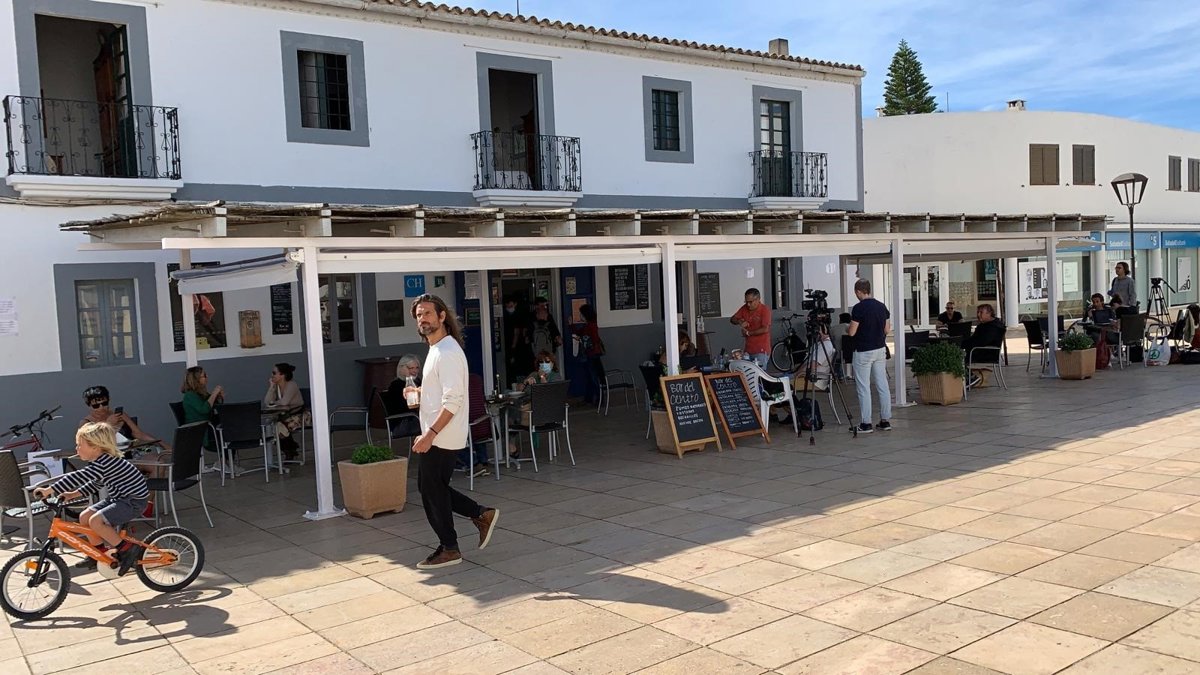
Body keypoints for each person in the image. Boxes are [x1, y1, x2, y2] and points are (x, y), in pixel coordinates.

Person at [405, 294, 499, 570]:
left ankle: (450, 547)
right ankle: (480, 515)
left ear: (442, 316)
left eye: (427, 313)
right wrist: (419, 392)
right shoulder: (437, 349)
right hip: (439, 434)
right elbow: (442, 391)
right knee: (432, 488)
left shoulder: (447, 352)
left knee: (431, 490)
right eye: (419, 315)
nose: (423, 319)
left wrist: (430, 434)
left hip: (442, 435)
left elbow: (453, 401)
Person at [32, 422, 148, 576]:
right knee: (85, 516)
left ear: (96, 447)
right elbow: (96, 483)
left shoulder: (106, 462)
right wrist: (73, 494)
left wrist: (49, 490)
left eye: (80, 445)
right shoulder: (102, 462)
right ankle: (97, 553)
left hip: (132, 501)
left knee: (96, 521)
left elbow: (77, 476)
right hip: (119, 498)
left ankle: (127, 549)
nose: (76, 448)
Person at [847, 279, 891, 433]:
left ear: (859, 291)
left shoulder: (858, 308)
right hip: (880, 349)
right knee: (882, 385)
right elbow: (887, 329)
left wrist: (847, 328)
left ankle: (866, 423)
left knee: (863, 387)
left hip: (863, 350)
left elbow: (852, 332)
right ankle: (885, 420)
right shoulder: (881, 306)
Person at [79, 385, 155, 443]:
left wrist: (159, 442)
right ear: (89, 405)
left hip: (126, 452)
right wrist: (108, 424)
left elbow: (138, 433)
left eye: (105, 403)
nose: (101, 407)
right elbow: (91, 444)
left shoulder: (118, 415)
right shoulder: (86, 423)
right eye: (96, 406)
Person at [264, 363, 306, 461]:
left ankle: (289, 451)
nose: (272, 375)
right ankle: (291, 449)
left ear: (282, 375)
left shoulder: (291, 385)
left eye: (274, 373)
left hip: (299, 415)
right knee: (272, 427)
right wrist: (271, 388)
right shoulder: (276, 387)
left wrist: (274, 403)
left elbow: (284, 402)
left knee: (279, 427)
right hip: (284, 416)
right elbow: (267, 402)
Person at [962, 304, 1007, 387]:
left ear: (989, 313)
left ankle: (971, 378)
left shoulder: (993, 327)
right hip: (980, 350)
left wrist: (962, 344)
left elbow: (981, 341)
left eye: (981, 312)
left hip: (985, 353)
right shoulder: (986, 325)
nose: (978, 315)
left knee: (958, 356)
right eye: (978, 312)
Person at [181, 366, 224, 451]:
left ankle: (227, 457)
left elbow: (214, 405)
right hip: (201, 430)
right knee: (226, 432)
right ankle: (225, 457)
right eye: (204, 375)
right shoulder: (190, 396)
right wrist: (214, 394)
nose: (207, 377)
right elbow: (204, 409)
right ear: (196, 379)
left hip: (207, 426)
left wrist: (218, 397)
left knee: (229, 424)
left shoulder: (201, 393)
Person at [571, 304, 605, 404]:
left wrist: (585, 341)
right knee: (590, 376)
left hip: (591, 354)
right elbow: (579, 333)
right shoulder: (589, 325)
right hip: (591, 354)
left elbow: (594, 339)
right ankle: (591, 398)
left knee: (593, 377)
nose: (580, 315)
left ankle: (598, 398)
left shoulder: (590, 325)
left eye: (581, 314)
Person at [730, 288, 772, 368]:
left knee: (758, 373)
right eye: (746, 302)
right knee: (746, 373)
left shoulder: (765, 310)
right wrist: (740, 322)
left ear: (758, 299)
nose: (748, 304)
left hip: (761, 350)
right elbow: (732, 319)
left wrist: (748, 333)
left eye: (750, 302)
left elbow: (765, 329)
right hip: (748, 350)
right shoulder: (744, 308)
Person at [503, 296, 534, 384]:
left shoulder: (519, 316)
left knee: (517, 368)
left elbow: (517, 333)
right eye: (507, 306)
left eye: (511, 306)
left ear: (515, 304)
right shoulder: (505, 316)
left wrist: (513, 348)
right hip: (509, 345)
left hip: (518, 347)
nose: (509, 308)